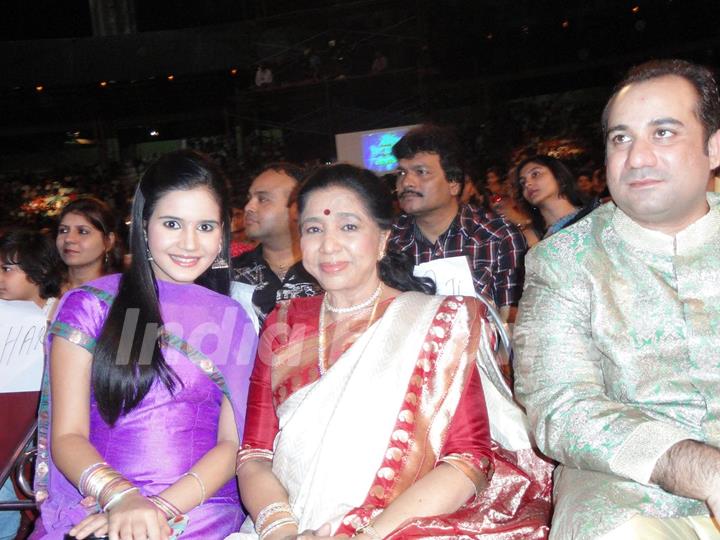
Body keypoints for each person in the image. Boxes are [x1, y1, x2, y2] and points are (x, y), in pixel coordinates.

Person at [230, 164, 551, 540]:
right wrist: (281, 530)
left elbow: (467, 459)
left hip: (399, 525)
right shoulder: (283, 321)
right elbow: (254, 453)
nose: (329, 244)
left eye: (349, 227)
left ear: (383, 238)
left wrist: (367, 535)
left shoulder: (438, 320)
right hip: (288, 520)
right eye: (314, 229)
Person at [514, 58, 720, 539]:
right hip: (627, 483)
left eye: (663, 133)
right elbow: (559, 404)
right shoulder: (563, 260)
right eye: (621, 138)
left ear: (714, 146)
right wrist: (701, 469)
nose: (638, 156)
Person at [32, 150, 258, 540]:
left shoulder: (233, 318)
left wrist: (157, 510)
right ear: (143, 223)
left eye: (206, 227)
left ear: (223, 233)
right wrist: (122, 499)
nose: (189, 243)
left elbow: (231, 443)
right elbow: (67, 435)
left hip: (199, 512)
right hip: (99, 502)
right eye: (172, 223)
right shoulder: (92, 305)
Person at [387, 125, 526, 322]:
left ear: (453, 183)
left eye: (421, 172)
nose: (407, 182)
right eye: (401, 173)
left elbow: (512, 319)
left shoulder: (497, 236)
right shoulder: (387, 239)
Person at [0, 229, 63, 540]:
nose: (0, 277)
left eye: (8, 268)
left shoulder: (64, 310)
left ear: (38, 270)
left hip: (47, 432)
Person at [232, 163, 321, 323]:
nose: (248, 207)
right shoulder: (230, 275)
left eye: (263, 199)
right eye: (249, 198)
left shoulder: (329, 269)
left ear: (298, 207)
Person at [514, 154, 599, 239]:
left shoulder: (596, 217)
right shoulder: (531, 240)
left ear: (559, 176)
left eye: (535, 174)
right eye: (522, 182)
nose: (527, 184)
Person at [56, 197, 121, 293]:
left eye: (83, 231)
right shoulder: (40, 290)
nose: (68, 239)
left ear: (108, 241)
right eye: (63, 230)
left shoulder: (121, 295)